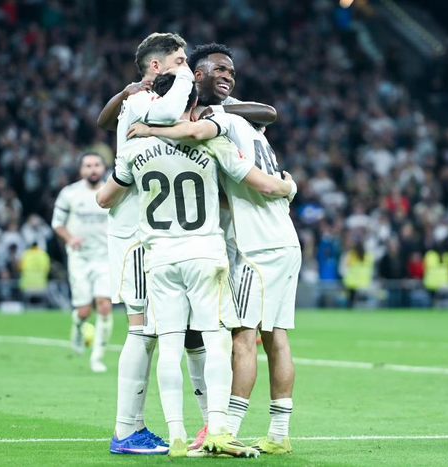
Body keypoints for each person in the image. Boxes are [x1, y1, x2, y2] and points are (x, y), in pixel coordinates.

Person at [99, 72, 294, 457]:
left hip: (159, 258)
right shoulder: (212, 143)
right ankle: (217, 429)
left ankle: (175, 435)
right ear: (191, 102)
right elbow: (257, 184)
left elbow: (105, 198)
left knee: (169, 345)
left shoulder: (133, 149)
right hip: (205, 254)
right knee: (216, 342)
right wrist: (289, 186)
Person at [96, 32, 193, 455]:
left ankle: (133, 428)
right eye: (180, 60)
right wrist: (186, 79)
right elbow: (170, 112)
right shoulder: (143, 100)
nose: (187, 66)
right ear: (157, 66)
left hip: (151, 231)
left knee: (151, 331)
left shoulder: (142, 101)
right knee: (141, 330)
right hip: (136, 233)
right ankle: (126, 431)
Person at [52, 153, 112, 373]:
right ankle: (77, 327)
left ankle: (97, 358)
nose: (93, 169)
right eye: (88, 165)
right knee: (84, 311)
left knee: (104, 305)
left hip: (105, 256)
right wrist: (70, 238)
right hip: (79, 257)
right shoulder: (70, 193)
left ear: (103, 168)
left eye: (97, 165)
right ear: (81, 170)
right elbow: (57, 223)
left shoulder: (112, 190)